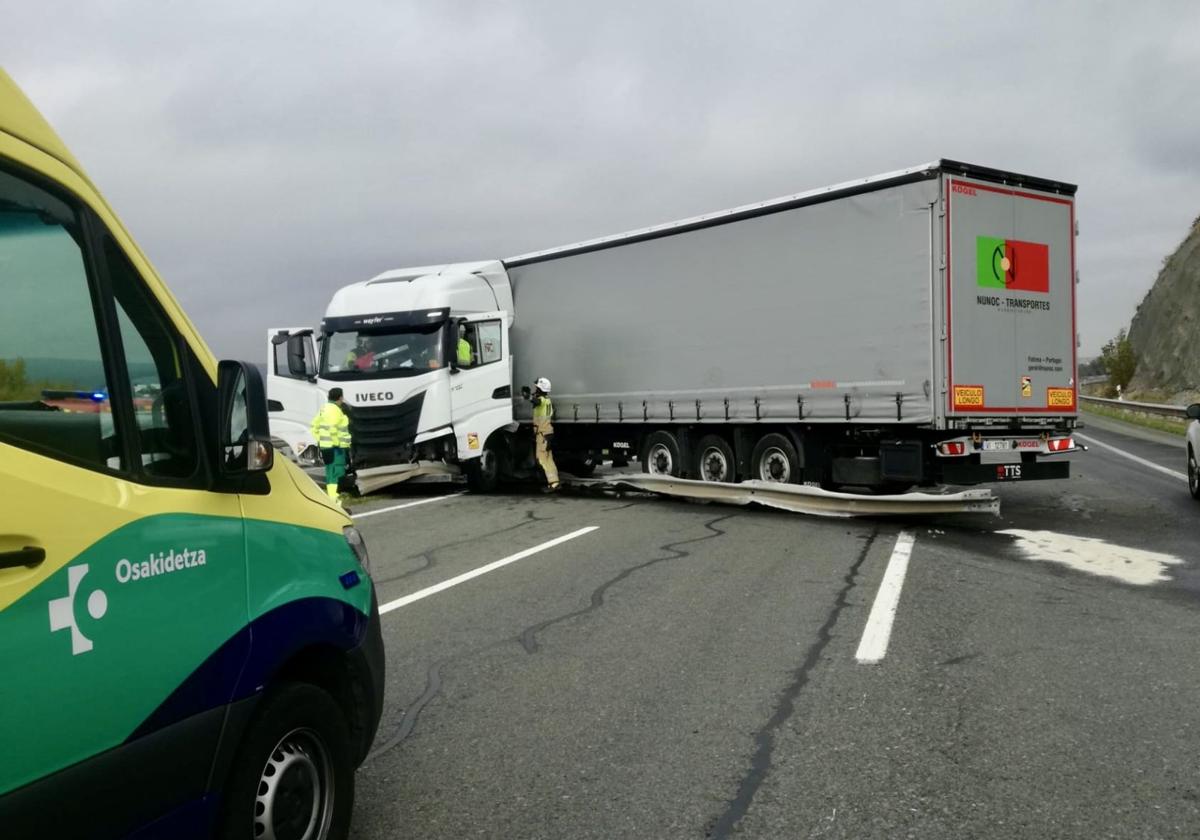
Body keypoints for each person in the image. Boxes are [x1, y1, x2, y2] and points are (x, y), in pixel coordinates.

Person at [311, 387, 352, 501]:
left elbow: (314, 426)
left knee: (330, 472)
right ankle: (333, 498)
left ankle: (332, 496)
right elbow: (333, 428)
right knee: (336, 472)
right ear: (340, 398)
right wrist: (337, 444)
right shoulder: (335, 410)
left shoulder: (324, 409)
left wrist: (320, 440)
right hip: (335, 448)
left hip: (325, 446)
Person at [528, 376, 559, 491]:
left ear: (541, 389)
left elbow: (535, 401)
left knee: (542, 459)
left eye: (537, 388)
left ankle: (553, 483)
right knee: (548, 458)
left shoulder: (541, 401)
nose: (535, 389)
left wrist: (528, 396)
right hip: (547, 433)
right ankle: (554, 482)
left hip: (543, 435)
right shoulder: (548, 401)